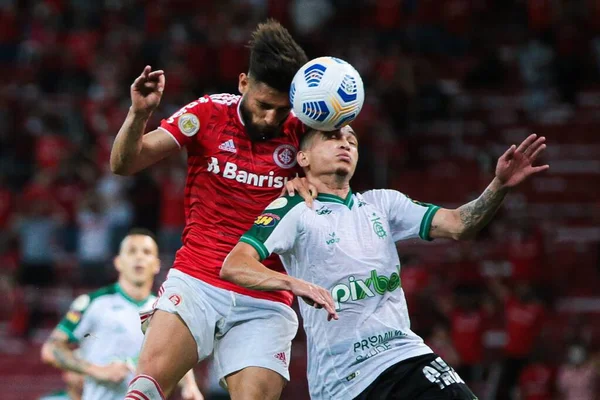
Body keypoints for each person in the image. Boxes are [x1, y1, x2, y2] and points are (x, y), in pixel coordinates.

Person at [221, 127, 549, 399]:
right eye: (333, 137)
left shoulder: (383, 203)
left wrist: (498, 186)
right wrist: (295, 284)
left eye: (351, 140)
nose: (345, 143)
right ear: (303, 157)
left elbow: (459, 224)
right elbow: (235, 264)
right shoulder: (293, 208)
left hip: (404, 355)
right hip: (344, 378)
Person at [110, 19, 315, 400]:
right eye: (263, 106)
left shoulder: (302, 131)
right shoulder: (207, 114)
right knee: (145, 391)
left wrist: (313, 185)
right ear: (242, 83)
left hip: (265, 295)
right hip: (197, 280)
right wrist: (139, 114)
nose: (270, 118)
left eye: (280, 109)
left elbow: (336, 185)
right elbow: (124, 164)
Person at [41, 229, 203, 400]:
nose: (139, 257)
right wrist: (98, 371)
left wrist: (190, 386)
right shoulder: (93, 303)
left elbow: (175, 353)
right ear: (118, 262)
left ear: (157, 265)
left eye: (146, 252)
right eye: (132, 251)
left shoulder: (165, 311)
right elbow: (50, 349)